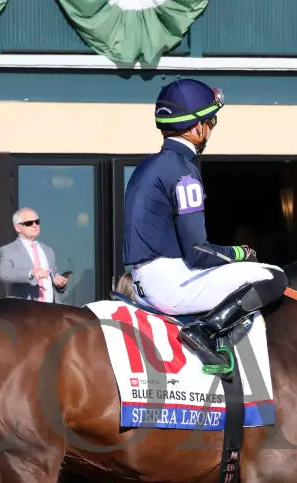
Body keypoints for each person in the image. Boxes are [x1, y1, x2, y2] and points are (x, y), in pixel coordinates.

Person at [122, 78, 287, 365]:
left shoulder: (147, 165)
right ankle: (205, 331)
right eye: (211, 122)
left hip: (144, 279)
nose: (210, 129)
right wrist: (240, 253)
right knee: (273, 276)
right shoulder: (183, 170)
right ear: (197, 127)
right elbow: (198, 253)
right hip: (171, 282)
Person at [0, 209, 69, 303]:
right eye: (29, 223)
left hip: (51, 310)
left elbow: (54, 275)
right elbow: (5, 274)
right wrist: (31, 273)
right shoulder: (8, 250)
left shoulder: (48, 250)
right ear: (18, 227)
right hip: (24, 311)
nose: (35, 225)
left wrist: (60, 284)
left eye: (37, 222)